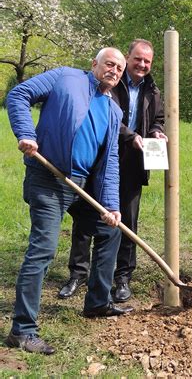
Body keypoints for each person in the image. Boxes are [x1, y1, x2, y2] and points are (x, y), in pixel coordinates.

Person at [5, 48, 134, 355]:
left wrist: (111, 205)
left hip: (81, 185)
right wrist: (26, 133)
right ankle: (22, 330)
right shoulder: (66, 77)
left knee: (110, 230)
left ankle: (97, 303)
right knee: (44, 249)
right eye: (109, 64)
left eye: (119, 68)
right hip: (48, 178)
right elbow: (19, 95)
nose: (114, 70)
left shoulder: (114, 110)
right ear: (95, 64)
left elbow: (110, 160)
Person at [58, 39, 166, 303]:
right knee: (87, 218)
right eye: (137, 59)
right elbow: (104, 117)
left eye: (147, 61)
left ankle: (122, 278)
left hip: (131, 163)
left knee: (127, 220)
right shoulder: (109, 81)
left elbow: (159, 118)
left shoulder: (152, 90)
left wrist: (155, 132)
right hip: (99, 158)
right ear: (127, 58)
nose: (142, 65)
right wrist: (129, 135)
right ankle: (77, 274)